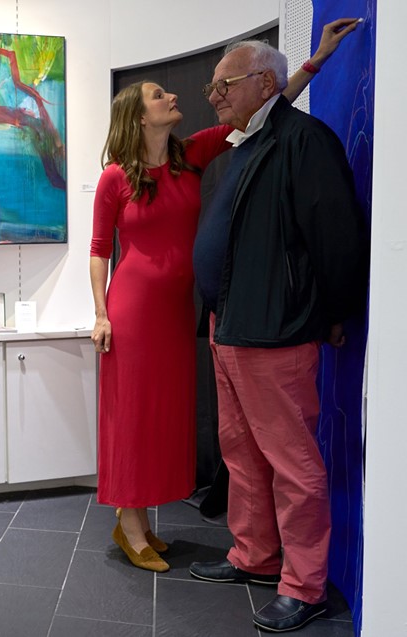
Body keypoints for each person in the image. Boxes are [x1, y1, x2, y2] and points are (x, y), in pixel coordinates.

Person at [89, 19, 359, 574]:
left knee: (163, 416)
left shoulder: (191, 155)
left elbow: (268, 105)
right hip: (132, 313)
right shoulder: (115, 178)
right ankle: (130, 522)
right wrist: (100, 314)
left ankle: (142, 518)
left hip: (177, 313)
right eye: (159, 95)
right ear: (138, 117)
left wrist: (316, 60)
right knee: (131, 417)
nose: (174, 97)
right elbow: (99, 250)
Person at [187, 36, 369, 633]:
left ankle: (304, 584)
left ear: (264, 83)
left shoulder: (304, 140)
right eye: (212, 85)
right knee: (241, 454)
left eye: (224, 84)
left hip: (275, 331)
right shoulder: (250, 139)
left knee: (292, 464)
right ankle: (255, 555)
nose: (214, 95)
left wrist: (334, 312)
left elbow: (336, 237)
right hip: (230, 325)